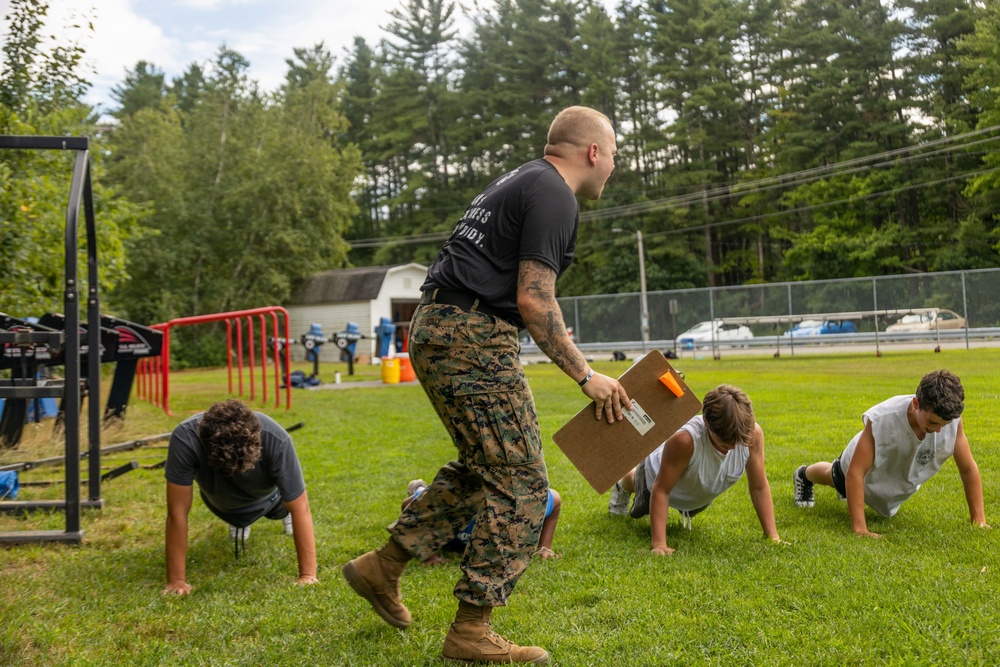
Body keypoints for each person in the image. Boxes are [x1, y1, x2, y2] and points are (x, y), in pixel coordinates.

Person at [342, 105, 631, 665]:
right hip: (470, 335)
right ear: (593, 151)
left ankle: (384, 565)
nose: (613, 166)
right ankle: (472, 628)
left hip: (440, 326)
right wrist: (586, 375)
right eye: (614, 154)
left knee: (485, 467)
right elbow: (533, 297)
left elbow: (523, 294)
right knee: (522, 480)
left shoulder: (525, 179)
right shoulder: (555, 193)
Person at [792, 369, 989, 537]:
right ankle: (804, 474)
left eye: (943, 425)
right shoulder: (882, 418)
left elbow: (968, 469)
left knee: (873, 499)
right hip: (859, 467)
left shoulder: (950, 419)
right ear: (915, 404)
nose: (938, 430)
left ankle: (852, 493)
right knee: (834, 477)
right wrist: (861, 529)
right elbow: (855, 473)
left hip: (892, 475)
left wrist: (979, 520)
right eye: (932, 423)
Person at [163, 399, 318, 595]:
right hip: (221, 501)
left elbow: (300, 508)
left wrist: (307, 575)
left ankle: (281, 514)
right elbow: (177, 512)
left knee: (287, 506)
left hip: (271, 499)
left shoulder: (276, 439)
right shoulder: (185, 438)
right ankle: (239, 520)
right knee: (233, 510)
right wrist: (176, 580)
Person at [609, 385, 782, 555]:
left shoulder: (753, 435)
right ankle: (623, 483)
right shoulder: (686, 440)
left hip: (697, 487)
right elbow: (661, 489)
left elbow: (759, 486)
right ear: (706, 423)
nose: (733, 447)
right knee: (642, 505)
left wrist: (772, 536)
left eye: (738, 442)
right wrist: (659, 544)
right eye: (725, 443)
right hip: (655, 476)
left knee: (693, 507)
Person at [401, 479, 563, 564]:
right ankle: (418, 489)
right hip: (450, 538)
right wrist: (431, 555)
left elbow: (555, 500)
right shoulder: (452, 502)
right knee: (422, 497)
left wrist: (544, 548)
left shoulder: (523, 504)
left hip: (480, 542)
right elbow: (408, 506)